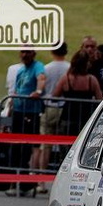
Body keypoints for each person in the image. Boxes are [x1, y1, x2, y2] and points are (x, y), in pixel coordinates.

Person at [6, 48, 46, 197]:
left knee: (27, 149)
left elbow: (41, 78)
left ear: (34, 54)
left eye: (28, 52)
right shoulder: (21, 70)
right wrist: (10, 109)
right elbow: (15, 91)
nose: (25, 54)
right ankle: (13, 182)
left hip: (30, 112)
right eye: (23, 51)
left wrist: (38, 91)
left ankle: (25, 183)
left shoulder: (38, 66)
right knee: (15, 148)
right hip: (18, 111)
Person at [36, 42, 70, 194]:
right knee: (65, 147)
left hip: (49, 106)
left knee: (46, 146)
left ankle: (41, 182)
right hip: (63, 108)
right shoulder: (69, 67)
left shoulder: (46, 68)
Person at [52, 50, 103, 138]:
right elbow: (99, 99)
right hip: (86, 118)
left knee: (66, 146)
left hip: (68, 117)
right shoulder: (91, 80)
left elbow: (55, 95)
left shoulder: (66, 78)